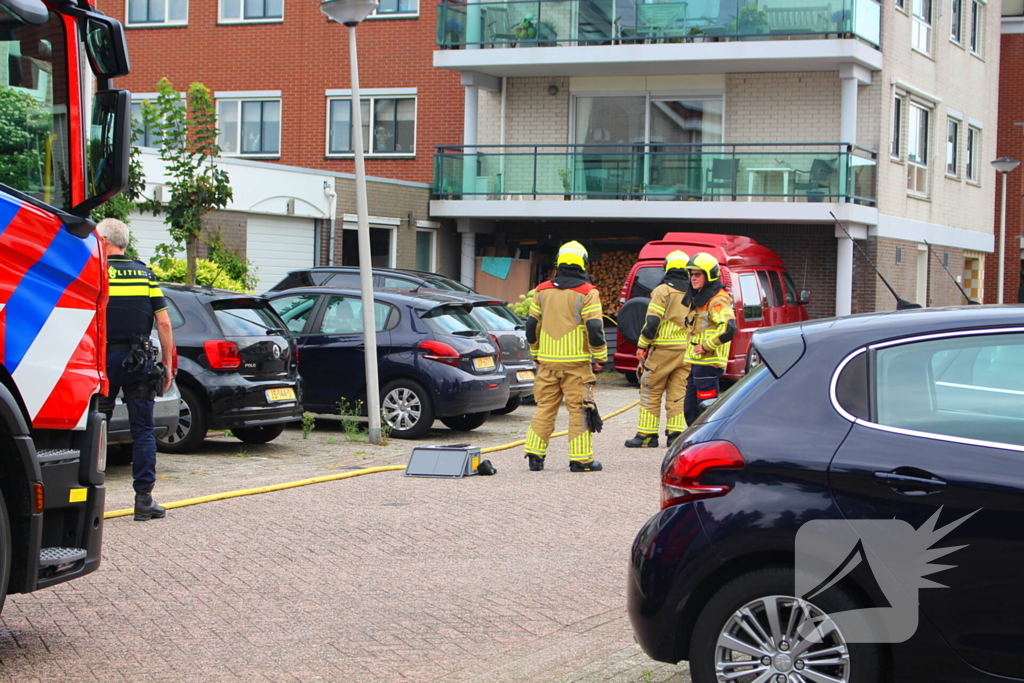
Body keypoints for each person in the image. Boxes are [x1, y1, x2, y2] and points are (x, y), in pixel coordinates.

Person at [96, 218, 174, 521]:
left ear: (104, 242)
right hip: (138, 361)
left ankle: (89, 500)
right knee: (142, 430)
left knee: (96, 427)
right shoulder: (145, 275)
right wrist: (167, 364)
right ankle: (144, 501)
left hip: (101, 361)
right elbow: (164, 323)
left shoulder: (97, 272)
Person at [524, 241, 607, 472]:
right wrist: (600, 357)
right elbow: (595, 329)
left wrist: (536, 353)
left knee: (544, 408)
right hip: (577, 365)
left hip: (548, 363)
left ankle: (534, 456)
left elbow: (531, 326)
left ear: (559, 263)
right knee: (580, 409)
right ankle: (581, 460)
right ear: (583, 263)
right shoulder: (588, 293)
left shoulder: (541, 290)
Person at [626, 250, 692, 449]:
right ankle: (675, 434)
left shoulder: (662, 291)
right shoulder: (693, 292)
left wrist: (642, 344)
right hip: (686, 351)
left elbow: (652, 321)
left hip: (663, 349)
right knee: (679, 391)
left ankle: (646, 435)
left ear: (667, 268)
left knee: (650, 389)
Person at [682, 252, 736, 426]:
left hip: (708, 363)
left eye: (698, 274)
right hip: (698, 364)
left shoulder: (717, 300)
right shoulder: (702, 298)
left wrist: (706, 346)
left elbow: (729, 328)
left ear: (709, 275)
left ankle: (705, 443)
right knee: (690, 409)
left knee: (705, 410)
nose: (693, 278)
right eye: (691, 274)